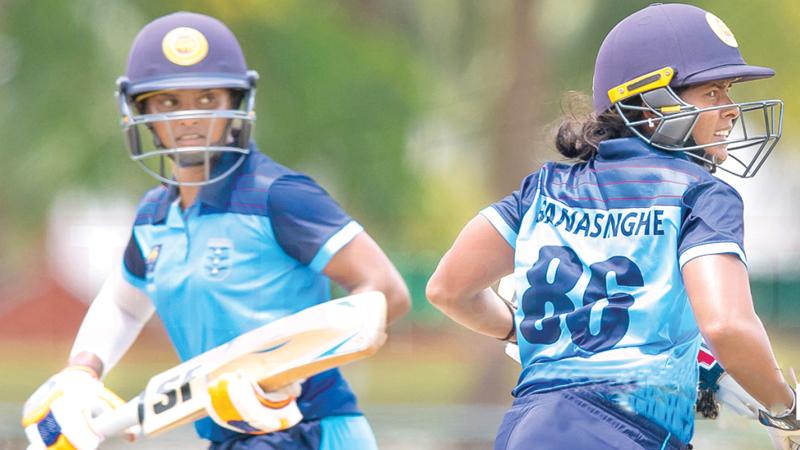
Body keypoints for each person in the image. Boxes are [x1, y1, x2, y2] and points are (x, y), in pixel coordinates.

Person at [22, 11, 410, 450]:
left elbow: (386, 291)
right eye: (169, 102)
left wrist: (287, 368)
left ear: (235, 104)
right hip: (227, 435)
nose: (189, 117)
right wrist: (82, 373)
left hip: (310, 428)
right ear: (140, 111)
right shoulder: (154, 217)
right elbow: (124, 303)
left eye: (207, 98)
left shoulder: (278, 196)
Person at [426, 3, 797, 450]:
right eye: (712, 93)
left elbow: (448, 289)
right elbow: (727, 326)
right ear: (651, 107)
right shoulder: (700, 193)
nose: (732, 110)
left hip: (524, 432)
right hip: (625, 435)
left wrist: (522, 329)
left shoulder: (544, 186)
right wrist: (785, 411)